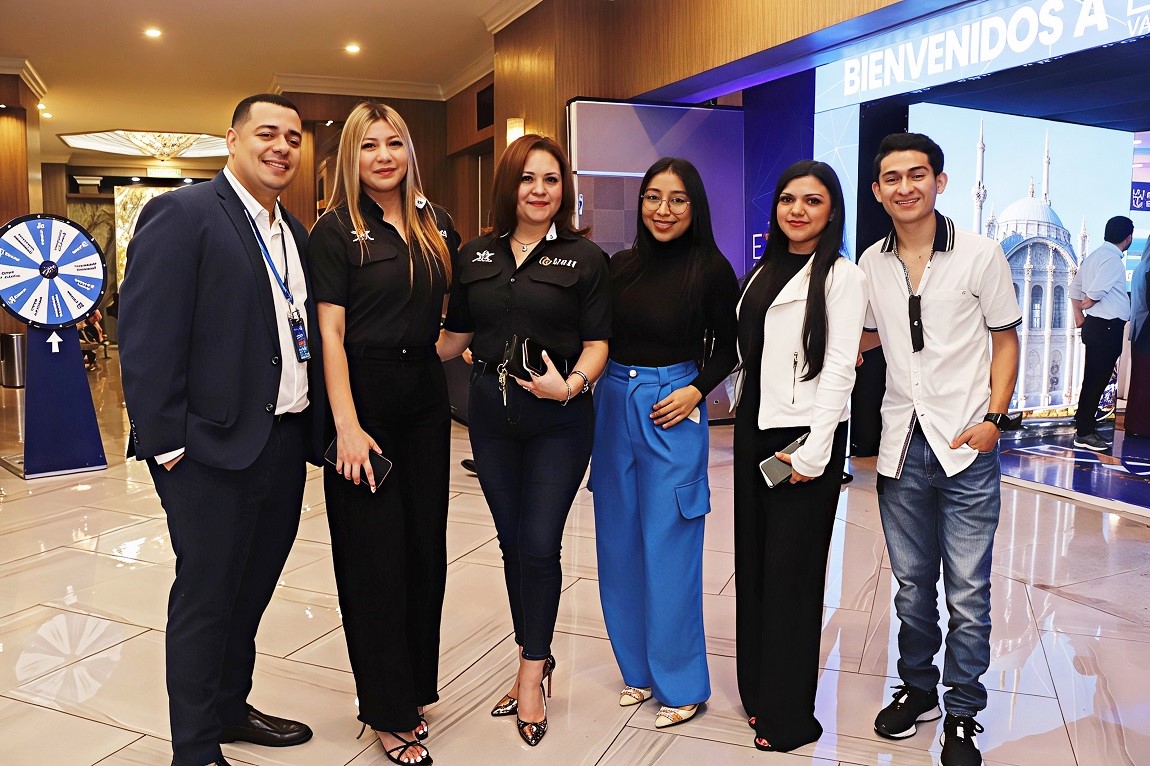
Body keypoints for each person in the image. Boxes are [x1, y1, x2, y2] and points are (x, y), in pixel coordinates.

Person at [119, 94, 325, 766]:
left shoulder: (293, 233)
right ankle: (196, 748)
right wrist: (169, 446)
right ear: (232, 140)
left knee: (251, 590)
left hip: (281, 443)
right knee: (206, 598)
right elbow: (145, 339)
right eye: (267, 133)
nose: (281, 147)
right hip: (206, 451)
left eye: (293, 137)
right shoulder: (183, 215)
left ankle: (230, 708)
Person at [436, 134, 610, 747]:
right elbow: (454, 338)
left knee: (538, 542)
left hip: (559, 420)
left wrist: (572, 386)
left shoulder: (586, 258)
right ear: (508, 186)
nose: (539, 190)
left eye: (551, 179)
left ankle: (531, 673)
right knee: (512, 544)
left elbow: (598, 344)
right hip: (490, 417)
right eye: (528, 179)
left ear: (564, 189)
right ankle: (534, 650)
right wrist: (387, 346)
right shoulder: (475, 255)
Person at [859, 132, 1020, 766]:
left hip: (965, 445)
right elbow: (865, 337)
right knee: (910, 587)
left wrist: (994, 419)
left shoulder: (981, 254)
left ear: (940, 181)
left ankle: (963, 712)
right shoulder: (871, 262)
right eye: (892, 178)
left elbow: (1005, 340)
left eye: (917, 174)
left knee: (968, 592)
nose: (905, 187)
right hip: (900, 446)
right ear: (878, 191)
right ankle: (919, 690)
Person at [307, 102, 459, 766]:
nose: (383, 156)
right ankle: (386, 711)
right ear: (352, 156)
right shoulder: (336, 229)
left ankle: (412, 689)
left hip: (424, 396)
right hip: (361, 397)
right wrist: (345, 425)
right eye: (369, 146)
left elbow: (457, 315)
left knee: (424, 550)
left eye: (393, 143)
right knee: (373, 559)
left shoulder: (436, 223)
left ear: (409, 151)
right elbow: (330, 332)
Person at [590, 157, 737, 729]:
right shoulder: (620, 266)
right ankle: (637, 671)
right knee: (617, 543)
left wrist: (696, 390)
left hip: (673, 405)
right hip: (613, 401)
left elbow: (730, 346)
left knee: (670, 546)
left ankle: (682, 684)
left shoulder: (711, 269)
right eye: (653, 197)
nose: (664, 210)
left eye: (677, 199)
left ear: (694, 206)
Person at [731, 160, 867, 752]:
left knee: (792, 575)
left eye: (812, 201)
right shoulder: (761, 271)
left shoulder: (842, 276)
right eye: (789, 199)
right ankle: (758, 694)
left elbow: (839, 368)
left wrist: (816, 449)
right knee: (755, 566)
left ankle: (787, 716)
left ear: (832, 211)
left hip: (804, 438)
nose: (798, 210)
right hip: (754, 431)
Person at [1069, 215, 1133, 451]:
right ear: (1128, 238)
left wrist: (1079, 316)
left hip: (1098, 327)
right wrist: (1086, 306)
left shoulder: (1095, 256)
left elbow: (1074, 288)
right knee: (1096, 381)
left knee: (1093, 379)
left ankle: (1084, 424)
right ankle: (1084, 432)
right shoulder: (1113, 261)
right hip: (1106, 328)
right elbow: (1092, 295)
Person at [1125, 238, 1150, 438]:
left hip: (1139, 332)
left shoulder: (1141, 268)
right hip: (1147, 332)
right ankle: (1143, 428)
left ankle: (1134, 425)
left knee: (1139, 381)